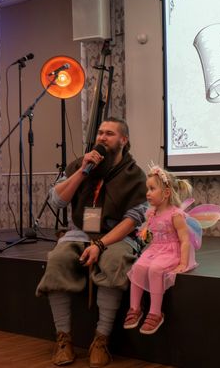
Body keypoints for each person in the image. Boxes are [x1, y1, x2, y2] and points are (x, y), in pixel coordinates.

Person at [36, 117, 147, 367]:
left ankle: (101, 340)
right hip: (81, 232)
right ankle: (63, 339)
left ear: (123, 140)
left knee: (114, 261)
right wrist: (81, 171)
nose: (102, 137)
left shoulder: (135, 175)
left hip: (116, 235)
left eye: (109, 133)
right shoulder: (81, 164)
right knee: (58, 260)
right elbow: (57, 201)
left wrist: (100, 245)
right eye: (100, 132)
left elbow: (132, 221)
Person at [123, 165, 197, 335]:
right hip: (155, 249)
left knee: (155, 270)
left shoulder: (175, 214)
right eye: (147, 189)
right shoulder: (152, 213)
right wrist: (145, 236)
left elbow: (185, 240)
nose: (147, 193)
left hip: (171, 251)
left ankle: (155, 312)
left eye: (152, 189)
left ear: (166, 193)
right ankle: (135, 308)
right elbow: (150, 235)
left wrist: (183, 263)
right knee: (138, 267)